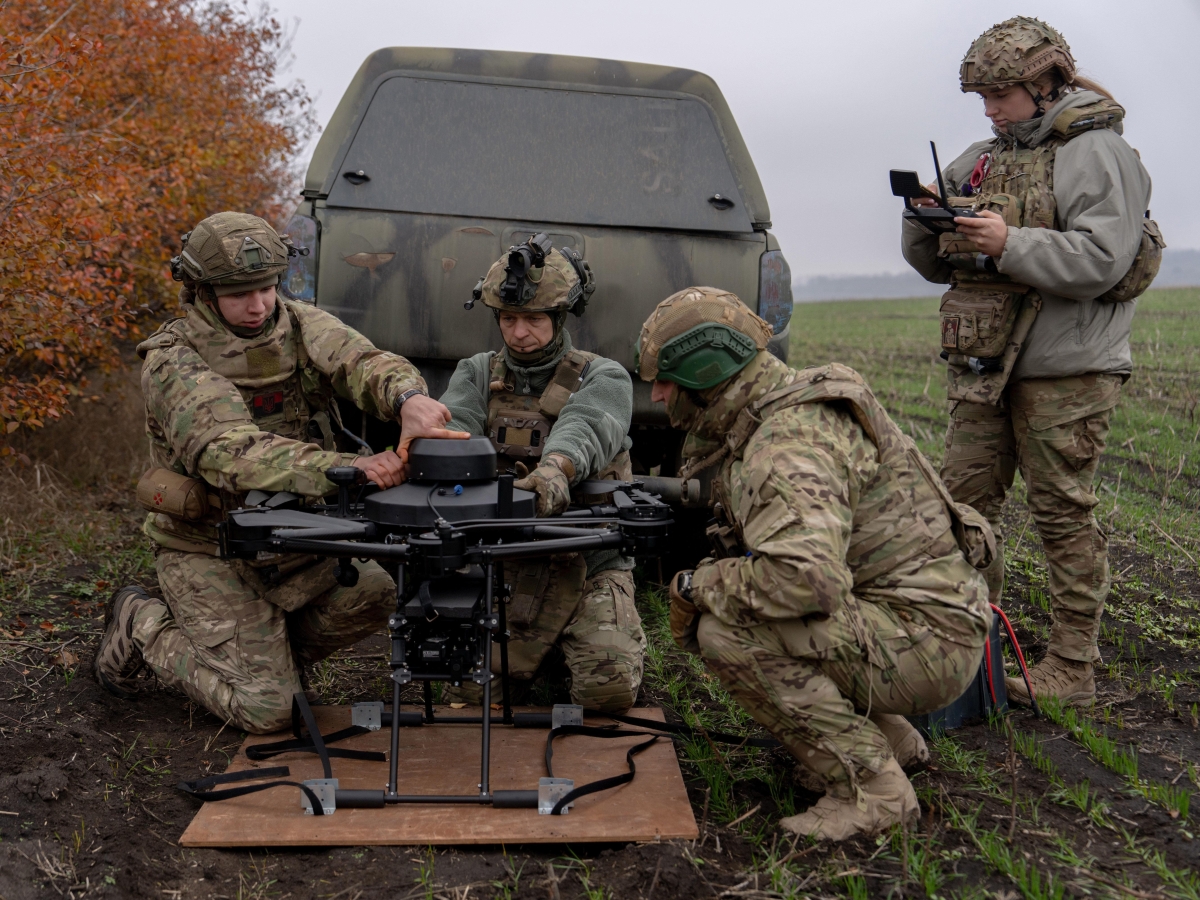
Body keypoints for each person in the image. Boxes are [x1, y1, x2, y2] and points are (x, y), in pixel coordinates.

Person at [638, 287, 995, 841]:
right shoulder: (784, 404)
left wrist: (698, 584)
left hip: (930, 644)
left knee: (726, 632)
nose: (658, 394)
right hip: (928, 618)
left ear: (704, 373)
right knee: (752, 610)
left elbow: (805, 581)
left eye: (665, 378)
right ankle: (893, 741)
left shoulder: (783, 448)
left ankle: (873, 787)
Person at [93, 212, 464, 733]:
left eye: (266, 288)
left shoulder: (298, 322)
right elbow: (228, 452)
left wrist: (408, 400)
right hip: (209, 548)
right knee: (271, 711)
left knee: (377, 592)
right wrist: (348, 467)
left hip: (293, 537)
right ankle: (142, 625)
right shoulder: (173, 359)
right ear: (201, 291)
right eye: (238, 293)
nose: (258, 305)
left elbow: (362, 360)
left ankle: (260, 662)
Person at [901, 17, 1159, 707]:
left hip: (1067, 369)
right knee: (961, 509)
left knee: (1061, 514)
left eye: (1002, 95)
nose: (990, 111)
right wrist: (925, 217)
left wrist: (1008, 241)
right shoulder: (982, 156)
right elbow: (933, 266)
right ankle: (961, 650)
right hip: (986, 367)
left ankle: (1072, 668)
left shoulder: (1098, 154)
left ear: (1047, 83)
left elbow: (1104, 259)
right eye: (982, 98)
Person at [438, 235, 646, 712]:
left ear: (559, 319)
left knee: (605, 693)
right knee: (467, 700)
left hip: (590, 558)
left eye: (533, 320)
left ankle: (588, 638)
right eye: (509, 320)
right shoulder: (475, 373)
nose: (519, 334)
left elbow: (586, 425)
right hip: (505, 565)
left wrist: (554, 472)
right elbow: (456, 432)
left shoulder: (603, 376)